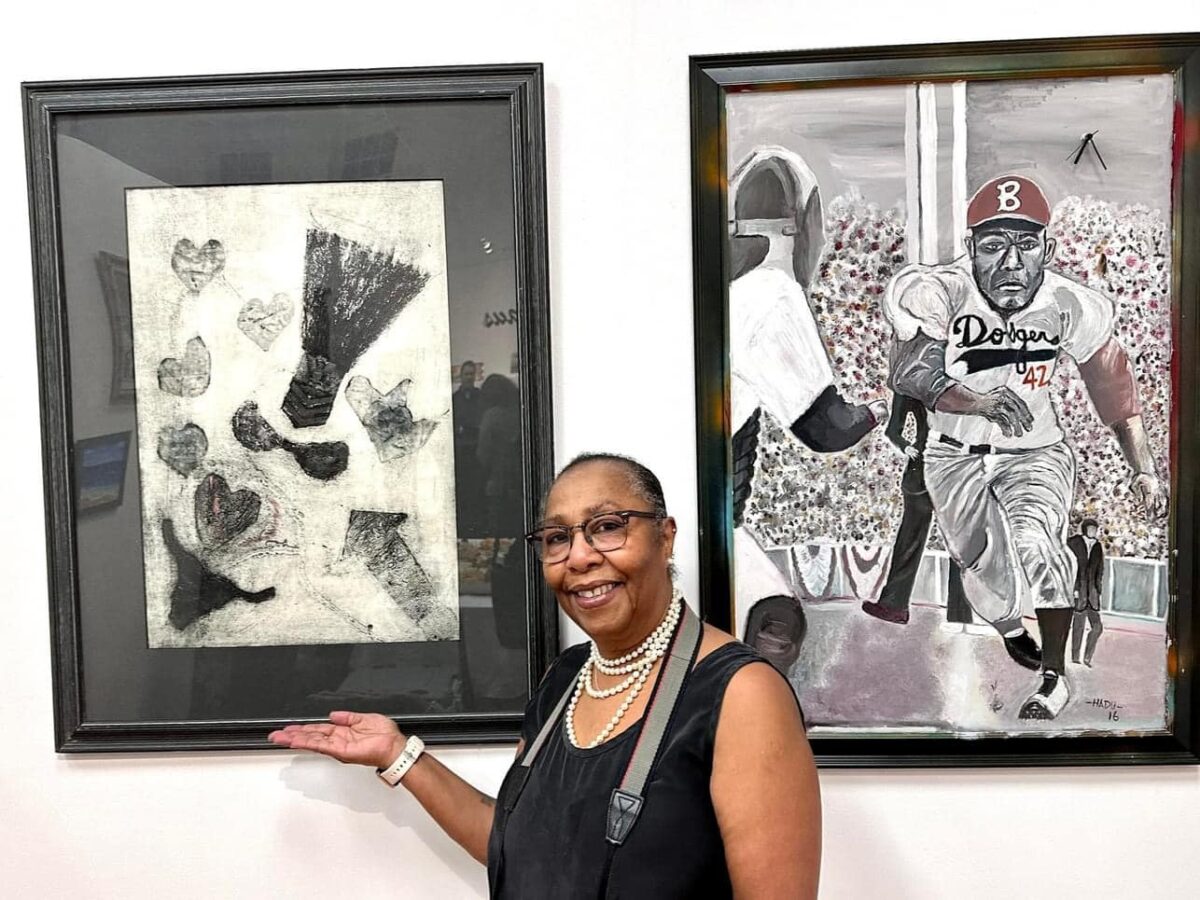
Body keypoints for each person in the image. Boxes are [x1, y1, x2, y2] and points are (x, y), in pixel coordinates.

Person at [270, 453, 821, 898]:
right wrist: (400, 756)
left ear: (666, 536)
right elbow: (515, 843)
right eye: (557, 538)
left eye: (607, 527)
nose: (578, 557)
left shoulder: (741, 694)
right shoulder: (567, 678)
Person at [881, 173, 1163, 720]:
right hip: (954, 453)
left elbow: (1115, 389)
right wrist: (974, 402)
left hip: (1035, 451)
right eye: (993, 247)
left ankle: (1054, 677)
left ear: (1046, 249)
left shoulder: (1070, 302)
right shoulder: (940, 289)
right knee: (978, 566)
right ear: (970, 250)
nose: (1011, 264)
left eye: (1025, 246)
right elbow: (911, 368)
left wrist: (1145, 469)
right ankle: (1010, 627)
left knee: (1037, 543)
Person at [728, 146, 887, 661]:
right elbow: (826, 429)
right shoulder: (771, 291)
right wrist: (881, 407)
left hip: (662, 504)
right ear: (800, 225)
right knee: (775, 622)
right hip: (701, 518)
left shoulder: (714, 285)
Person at [861, 391, 976, 632]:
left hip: (935, 468)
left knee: (914, 540)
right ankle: (959, 614)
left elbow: (893, 430)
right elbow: (894, 431)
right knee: (953, 541)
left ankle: (895, 606)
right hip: (943, 468)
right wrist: (906, 447)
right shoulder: (921, 385)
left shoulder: (910, 383)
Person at [453, 360, 485, 535]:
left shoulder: (481, 396)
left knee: (476, 492)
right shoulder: (454, 399)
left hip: (477, 451)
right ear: (461, 376)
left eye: (471, 374)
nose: (469, 377)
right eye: (466, 374)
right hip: (459, 452)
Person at [1069, 518, 1105, 667]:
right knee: (1078, 626)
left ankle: (1087, 657)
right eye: (1091, 529)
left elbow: (1100, 570)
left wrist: (1098, 590)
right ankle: (1075, 657)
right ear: (1085, 529)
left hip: (1092, 594)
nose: (1094, 532)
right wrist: (1074, 589)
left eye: (1095, 529)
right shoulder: (1074, 543)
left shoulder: (1097, 546)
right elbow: (1069, 567)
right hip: (1079, 591)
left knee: (1097, 627)